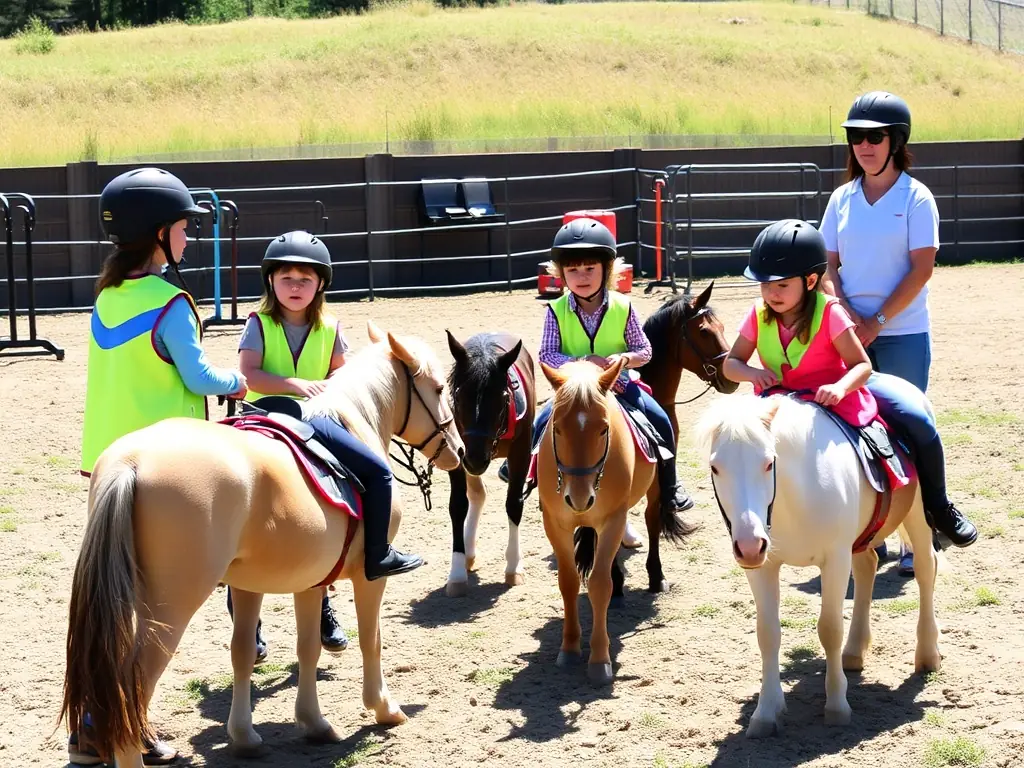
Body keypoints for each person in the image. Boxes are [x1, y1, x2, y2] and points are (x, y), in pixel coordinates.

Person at [73, 167, 248, 765]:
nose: (189, 239)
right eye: (183, 228)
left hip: (105, 464)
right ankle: (120, 721)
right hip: (164, 466)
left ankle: (94, 725)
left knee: (113, 602)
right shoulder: (171, 301)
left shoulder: (107, 296)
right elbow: (198, 376)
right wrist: (237, 378)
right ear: (160, 234)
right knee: (151, 607)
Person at [723, 219, 977, 554]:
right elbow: (731, 364)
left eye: (782, 285)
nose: (771, 293)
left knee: (916, 417)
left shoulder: (830, 312)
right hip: (778, 403)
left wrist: (841, 388)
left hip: (834, 395)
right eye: (764, 285)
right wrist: (752, 372)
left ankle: (940, 507)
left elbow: (862, 365)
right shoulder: (757, 314)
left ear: (811, 280)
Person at [820, 91, 977, 572]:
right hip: (849, 333)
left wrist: (877, 322)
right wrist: (846, 317)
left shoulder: (916, 197)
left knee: (904, 426)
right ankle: (872, 529)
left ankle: (922, 530)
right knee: (853, 425)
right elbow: (827, 263)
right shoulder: (841, 198)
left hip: (902, 332)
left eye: (874, 137)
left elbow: (920, 270)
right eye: (856, 137)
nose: (863, 146)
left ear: (896, 141)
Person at [228, 230, 354, 660]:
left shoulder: (332, 327)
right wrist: (297, 384)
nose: (295, 286)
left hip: (315, 422)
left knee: (353, 484)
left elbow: (342, 374)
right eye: (286, 278)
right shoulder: (258, 323)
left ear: (321, 284)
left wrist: (330, 387)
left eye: (305, 278)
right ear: (271, 283)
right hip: (261, 418)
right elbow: (249, 375)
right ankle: (246, 613)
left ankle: (328, 602)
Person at [528, 217, 697, 522]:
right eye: (573, 270)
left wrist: (621, 359)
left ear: (606, 269)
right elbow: (547, 353)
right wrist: (581, 365)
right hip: (574, 390)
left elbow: (644, 351)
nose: (582, 276)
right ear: (561, 273)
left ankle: (670, 486)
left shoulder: (623, 305)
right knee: (540, 422)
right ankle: (530, 475)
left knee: (661, 421)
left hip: (618, 384)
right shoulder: (555, 310)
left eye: (590, 268)